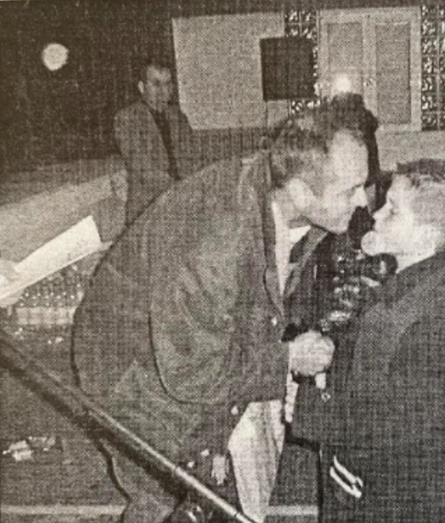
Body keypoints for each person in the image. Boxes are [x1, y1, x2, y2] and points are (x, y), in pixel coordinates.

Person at [71, 102, 370, 522]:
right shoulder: (216, 235)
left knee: (213, 480)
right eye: (351, 190)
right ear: (302, 191)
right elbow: (190, 372)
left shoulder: (285, 198)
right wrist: (286, 359)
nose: (363, 200)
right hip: (132, 368)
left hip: (186, 343)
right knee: (167, 491)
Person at [291, 158, 445, 522]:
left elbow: (399, 423)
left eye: (392, 210)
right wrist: (335, 353)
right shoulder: (418, 287)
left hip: (402, 502)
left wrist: (309, 409)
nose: (376, 215)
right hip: (388, 488)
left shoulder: (430, 318)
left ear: (424, 237)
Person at [114, 57, 200, 225]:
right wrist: (179, 191)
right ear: (141, 87)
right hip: (147, 211)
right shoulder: (126, 118)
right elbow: (141, 167)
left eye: (167, 84)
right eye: (156, 84)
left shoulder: (179, 117)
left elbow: (193, 158)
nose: (162, 91)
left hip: (183, 204)